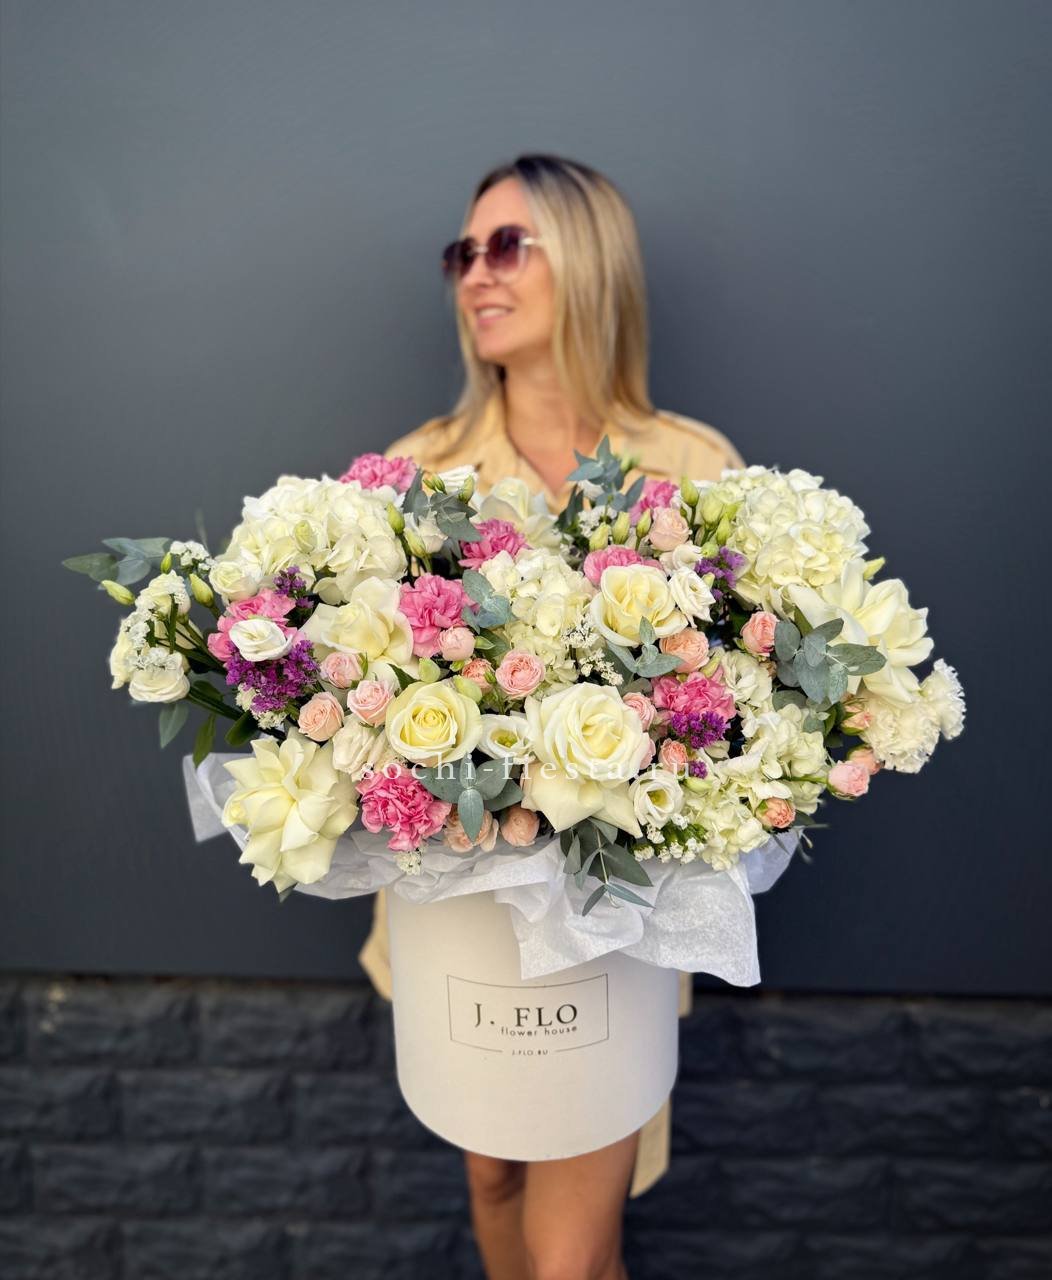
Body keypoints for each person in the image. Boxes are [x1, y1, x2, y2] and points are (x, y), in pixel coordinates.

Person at [362, 153, 745, 1280]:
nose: (476, 274)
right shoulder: (413, 473)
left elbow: (734, 714)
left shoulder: (691, 467)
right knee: (491, 1177)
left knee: (572, 1255)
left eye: (506, 246)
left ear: (589, 261)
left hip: (613, 921)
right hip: (453, 911)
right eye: (463, 253)